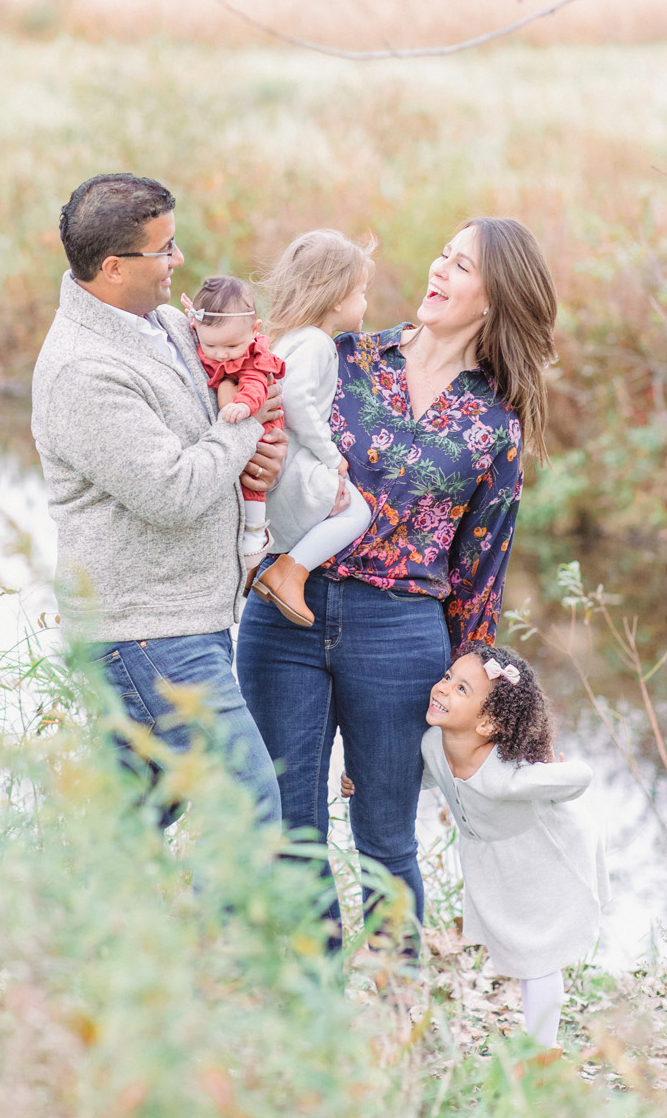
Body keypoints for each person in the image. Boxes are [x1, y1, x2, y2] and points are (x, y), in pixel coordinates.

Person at [236, 216, 557, 940]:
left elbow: (481, 568)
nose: (438, 271)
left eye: (462, 267)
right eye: (442, 254)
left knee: (385, 840)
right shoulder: (341, 355)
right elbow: (256, 440)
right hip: (283, 613)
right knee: (289, 829)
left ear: (496, 297)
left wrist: (477, 700)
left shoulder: (494, 422)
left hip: (400, 634)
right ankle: (308, 1001)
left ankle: (395, 1012)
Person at [31, 172, 285, 826]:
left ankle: (68, 928)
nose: (179, 261)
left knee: (129, 828)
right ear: (114, 268)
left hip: (179, 619)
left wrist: (256, 444)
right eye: (164, 249)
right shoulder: (83, 371)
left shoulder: (166, 323)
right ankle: (224, 933)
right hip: (146, 631)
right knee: (246, 806)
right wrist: (246, 428)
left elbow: (220, 423)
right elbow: (172, 491)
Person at [414, 646, 606, 1055]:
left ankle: (542, 1051)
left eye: (461, 688)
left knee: (539, 955)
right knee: (520, 949)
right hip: (494, 863)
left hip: (542, 857)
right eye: (448, 677)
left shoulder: (507, 776)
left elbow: (582, 775)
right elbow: (425, 777)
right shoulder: (433, 742)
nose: (443, 689)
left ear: (487, 722)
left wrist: (551, 772)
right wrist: (356, 781)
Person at [251, 230, 376, 627]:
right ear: (338, 298)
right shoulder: (318, 343)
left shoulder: (291, 339)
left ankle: (281, 567)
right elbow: (296, 401)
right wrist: (332, 457)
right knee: (356, 512)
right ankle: (289, 571)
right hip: (297, 464)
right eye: (361, 293)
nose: (365, 303)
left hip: (285, 464)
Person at [181, 275, 287, 571]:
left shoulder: (252, 358)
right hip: (235, 426)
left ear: (254, 331)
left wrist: (243, 406)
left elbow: (255, 386)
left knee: (252, 478)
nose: (222, 354)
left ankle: (254, 530)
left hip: (260, 422)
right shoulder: (211, 339)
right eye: (211, 346)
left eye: (231, 346)